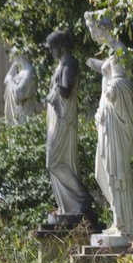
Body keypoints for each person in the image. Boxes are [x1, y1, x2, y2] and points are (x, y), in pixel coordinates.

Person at [85, 10, 133, 237]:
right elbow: (107, 68)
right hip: (107, 119)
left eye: (92, 27)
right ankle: (120, 219)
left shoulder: (119, 50)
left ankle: (124, 224)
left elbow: (122, 84)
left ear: (102, 27)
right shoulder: (111, 53)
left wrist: (110, 91)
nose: (91, 33)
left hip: (116, 119)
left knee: (115, 168)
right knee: (104, 170)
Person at [44, 30, 93, 219]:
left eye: (52, 48)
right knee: (55, 162)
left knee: (54, 162)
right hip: (57, 117)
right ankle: (70, 205)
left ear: (61, 47)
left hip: (64, 119)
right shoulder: (62, 64)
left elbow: (66, 91)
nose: (51, 52)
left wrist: (54, 88)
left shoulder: (70, 64)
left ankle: (82, 198)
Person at [4, 46, 38, 123]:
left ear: (18, 56)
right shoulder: (22, 71)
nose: (13, 59)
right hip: (17, 115)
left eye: (14, 56)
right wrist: (15, 64)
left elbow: (19, 94)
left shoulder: (29, 73)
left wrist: (11, 80)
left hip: (23, 117)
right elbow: (6, 80)